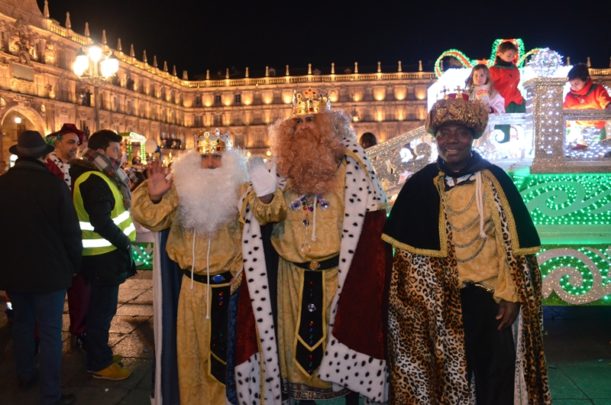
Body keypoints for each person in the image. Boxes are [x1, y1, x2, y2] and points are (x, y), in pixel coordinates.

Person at [382, 98, 551, 404]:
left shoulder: (494, 179)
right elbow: (407, 266)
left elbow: (511, 249)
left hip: (489, 300)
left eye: (460, 132)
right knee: (447, 382)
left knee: (496, 379)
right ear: (436, 137)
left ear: (473, 136)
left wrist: (510, 294)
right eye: (444, 132)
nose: (451, 140)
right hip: (440, 304)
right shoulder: (420, 185)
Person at [236, 89, 390, 404]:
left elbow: (372, 219)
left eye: (312, 119)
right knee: (291, 358)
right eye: (299, 121)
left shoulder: (353, 168)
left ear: (329, 125)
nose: (305, 126)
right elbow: (264, 216)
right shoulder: (279, 170)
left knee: (338, 351)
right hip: (290, 279)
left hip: (337, 278)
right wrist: (264, 197)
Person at [131, 131, 248, 404]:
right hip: (189, 290)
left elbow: (262, 224)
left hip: (227, 292)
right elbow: (152, 219)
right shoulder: (180, 190)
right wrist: (155, 196)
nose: (209, 164)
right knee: (189, 358)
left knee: (223, 364)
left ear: (228, 160)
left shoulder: (241, 191)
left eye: (216, 157)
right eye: (204, 156)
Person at [0, 130, 81, 405]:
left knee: (22, 325)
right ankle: (50, 394)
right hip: (51, 272)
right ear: (44, 155)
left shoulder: (3, 185)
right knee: (49, 332)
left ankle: (24, 375)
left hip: (14, 272)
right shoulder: (54, 185)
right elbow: (71, 232)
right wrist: (73, 264)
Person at [70, 129, 136, 381]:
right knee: (101, 311)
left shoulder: (100, 175)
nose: (120, 155)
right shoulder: (93, 179)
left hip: (104, 256)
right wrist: (125, 243)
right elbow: (101, 221)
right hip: (102, 257)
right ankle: (98, 363)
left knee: (102, 309)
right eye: (115, 149)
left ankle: (101, 354)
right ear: (100, 152)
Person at [45, 123, 91, 350]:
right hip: (54, 239)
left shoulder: (75, 168)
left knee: (79, 286)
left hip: (74, 236)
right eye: (70, 142)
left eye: (77, 143)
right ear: (58, 143)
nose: (75, 147)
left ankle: (79, 328)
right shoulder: (48, 167)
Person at [563, 63, 611, 148]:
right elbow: (564, 112)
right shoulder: (569, 96)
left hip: (598, 127)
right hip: (579, 128)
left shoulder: (598, 90)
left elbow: (606, 102)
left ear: (586, 79)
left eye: (576, 83)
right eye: (571, 84)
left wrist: (608, 107)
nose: (573, 87)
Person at [490, 40, 524, 142]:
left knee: (526, 119)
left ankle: (522, 143)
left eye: (513, 55)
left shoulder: (515, 69)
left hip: (516, 100)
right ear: (500, 54)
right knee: (502, 125)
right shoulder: (493, 70)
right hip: (502, 102)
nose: (512, 57)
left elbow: (516, 83)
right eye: (509, 55)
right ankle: (501, 146)